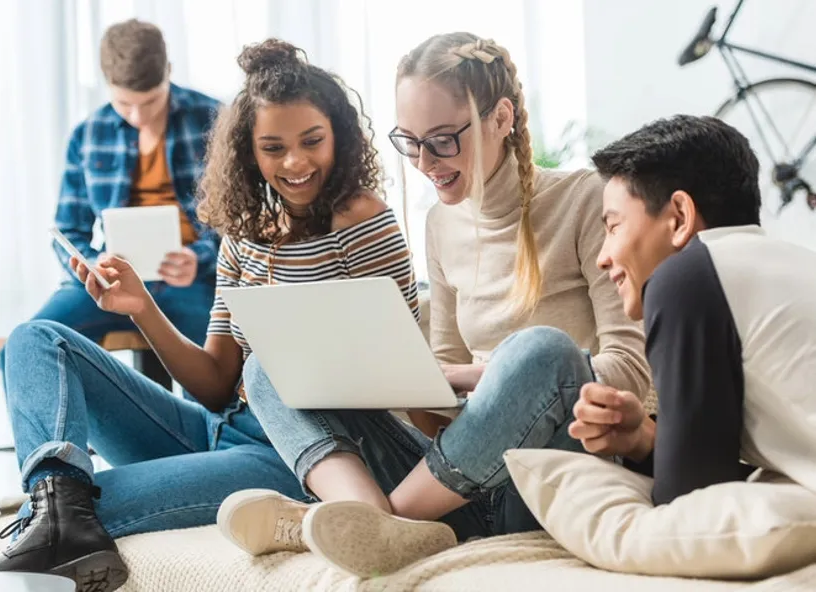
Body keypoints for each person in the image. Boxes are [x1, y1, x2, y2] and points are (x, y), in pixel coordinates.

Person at [217, 32, 652, 578]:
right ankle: (369, 518)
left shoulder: (585, 199)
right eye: (411, 141)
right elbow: (436, 407)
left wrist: (478, 375)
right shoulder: (441, 223)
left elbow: (629, 373)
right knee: (267, 365)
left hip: (548, 472)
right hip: (458, 484)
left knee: (542, 352)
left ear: (501, 117)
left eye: (444, 140)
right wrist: (387, 378)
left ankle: (371, 519)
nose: (425, 162)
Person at [0, 39, 418, 592]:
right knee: (36, 340)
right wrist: (141, 308)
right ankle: (56, 497)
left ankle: (57, 515)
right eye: (273, 147)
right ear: (250, 151)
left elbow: (396, 369)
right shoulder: (244, 237)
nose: (294, 162)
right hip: (214, 427)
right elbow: (216, 385)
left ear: (337, 132)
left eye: (311, 141)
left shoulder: (362, 221)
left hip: (287, 452)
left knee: (94, 506)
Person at [570, 114, 816, 504]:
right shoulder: (789, 265)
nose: (602, 257)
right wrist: (645, 438)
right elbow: (716, 475)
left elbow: (692, 500)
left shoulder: (686, 279)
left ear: (679, 218)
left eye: (613, 227)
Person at [11, 19, 220, 372]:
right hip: (112, 282)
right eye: (124, 103)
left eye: (151, 101)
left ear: (168, 71)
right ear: (106, 84)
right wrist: (91, 264)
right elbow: (68, 231)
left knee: (220, 367)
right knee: (27, 348)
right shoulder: (87, 135)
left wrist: (198, 259)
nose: (138, 116)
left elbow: (244, 224)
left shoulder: (215, 119)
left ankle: (209, 429)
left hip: (193, 282)